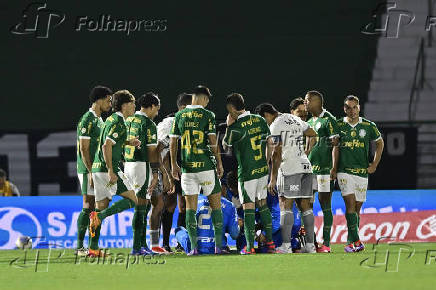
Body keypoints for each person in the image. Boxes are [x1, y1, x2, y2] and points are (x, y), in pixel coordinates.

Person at [255, 103, 318, 253]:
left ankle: (286, 246)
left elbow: (277, 153)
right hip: (305, 166)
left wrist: (272, 178)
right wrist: (306, 151)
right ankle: (310, 246)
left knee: (285, 205)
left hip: (290, 169)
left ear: (266, 115)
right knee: (305, 207)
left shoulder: (275, 125)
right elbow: (312, 133)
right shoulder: (293, 118)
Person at [170, 85, 224, 256]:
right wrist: (220, 163)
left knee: (190, 209)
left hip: (187, 169)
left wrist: (173, 165)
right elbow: (213, 141)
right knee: (216, 207)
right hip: (206, 167)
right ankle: (218, 246)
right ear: (203, 98)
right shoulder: (208, 115)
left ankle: (193, 248)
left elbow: (173, 143)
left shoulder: (179, 115)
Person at [88, 90, 141, 257]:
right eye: (132, 103)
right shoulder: (118, 122)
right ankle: (102, 217)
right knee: (133, 200)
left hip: (97, 168)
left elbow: (108, 141)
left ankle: (93, 249)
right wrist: (111, 170)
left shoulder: (110, 120)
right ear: (124, 105)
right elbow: (106, 146)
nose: (134, 106)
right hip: (107, 169)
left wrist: (128, 142)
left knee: (99, 208)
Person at [223, 93, 275, 255]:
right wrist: (266, 163)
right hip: (262, 171)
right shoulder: (260, 120)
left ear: (232, 109)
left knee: (249, 208)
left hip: (247, 173)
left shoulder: (236, 127)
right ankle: (271, 243)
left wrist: (228, 125)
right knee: (263, 205)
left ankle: (250, 246)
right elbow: (271, 143)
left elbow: (226, 147)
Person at [336, 95, 384, 252]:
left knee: (356, 209)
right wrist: (333, 168)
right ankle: (356, 241)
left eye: (354, 107)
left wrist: (374, 165)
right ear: (344, 109)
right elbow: (332, 148)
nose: (352, 110)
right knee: (350, 204)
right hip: (344, 172)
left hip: (362, 172)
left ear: (359, 108)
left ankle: (351, 242)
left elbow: (380, 143)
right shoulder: (338, 125)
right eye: (348, 107)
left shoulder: (368, 126)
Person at [124, 92, 165, 255]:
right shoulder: (148, 124)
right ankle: (137, 247)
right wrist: (155, 174)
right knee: (141, 207)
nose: (157, 112)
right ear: (153, 106)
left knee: (143, 205)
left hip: (128, 164)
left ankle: (142, 245)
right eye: (157, 109)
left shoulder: (129, 120)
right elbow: (152, 152)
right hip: (141, 166)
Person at [75, 85, 112, 256]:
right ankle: (80, 247)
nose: (110, 104)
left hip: (97, 169)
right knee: (88, 205)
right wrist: (90, 171)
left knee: (95, 207)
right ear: (99, 100)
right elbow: (84, 149)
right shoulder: (87, 119)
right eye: (108, 100)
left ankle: (91, 247)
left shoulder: (100, 120)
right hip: (87, 169)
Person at [156, 93, 192, 252]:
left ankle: (180, 242)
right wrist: (167, 174)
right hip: (169, 168)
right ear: (183, 107)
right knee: (168, 205)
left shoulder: (192, 122)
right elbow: (161, 149)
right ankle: (163, 243)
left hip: (186, 168)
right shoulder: (169, 123)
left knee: (184, 205)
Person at [304, 90, 340, 253]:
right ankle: (311, 243)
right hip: (311, 170)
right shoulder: (310, 120)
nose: (305, 103)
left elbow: (335, 145)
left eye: (307, 100)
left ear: (316, 102)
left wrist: (334, 167)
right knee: (307, 206)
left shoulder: (329, 119)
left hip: (325, 170)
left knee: (325, 205)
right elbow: (308, 147)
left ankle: (326, 243)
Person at [175, 195, 239, 254]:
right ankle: (242, 248)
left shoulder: (192, 202)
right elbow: (234, 234)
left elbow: (189, 224)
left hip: (195, 247)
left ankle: (191, 248)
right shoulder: (229, 204)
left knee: (178, 230)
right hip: (219, 247)